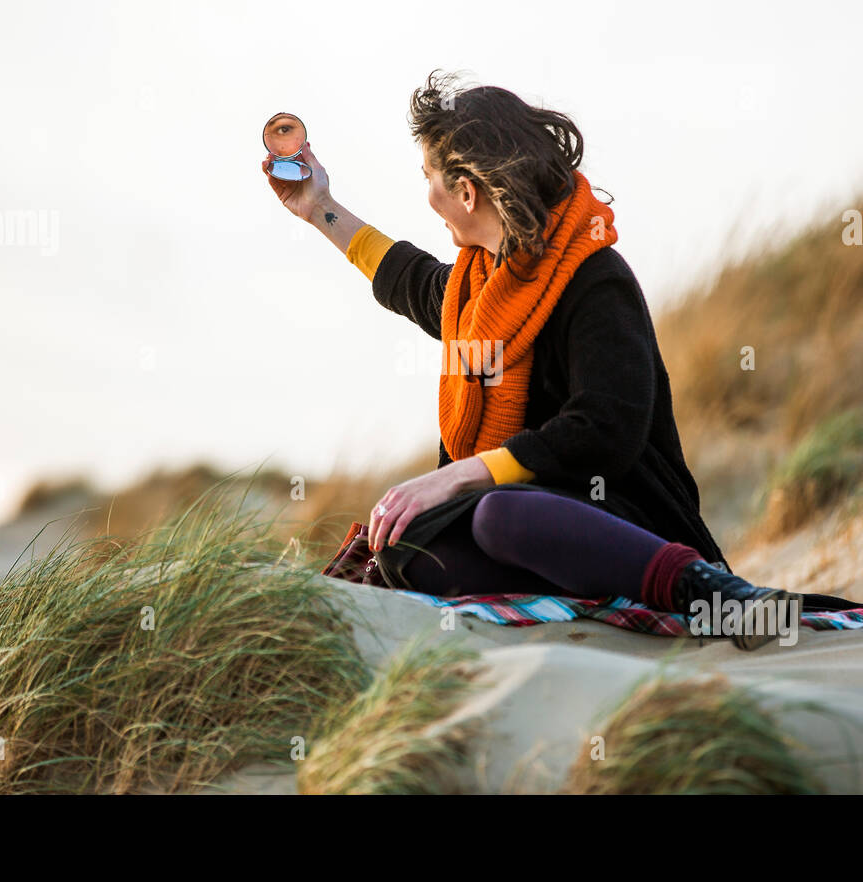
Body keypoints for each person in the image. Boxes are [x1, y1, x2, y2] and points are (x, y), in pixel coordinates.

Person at [263, 71, 801, 649]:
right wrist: (319, 206)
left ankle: (715, 594)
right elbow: (404, 276)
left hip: (619, 514)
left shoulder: (595, 279)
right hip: (525, 517)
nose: (429, 198)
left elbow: (605, 432)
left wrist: (463, 474)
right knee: (406, 545)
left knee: (500, 515)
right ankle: (578, 595)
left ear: (467, 192)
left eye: (430, 180)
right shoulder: (479, 289)